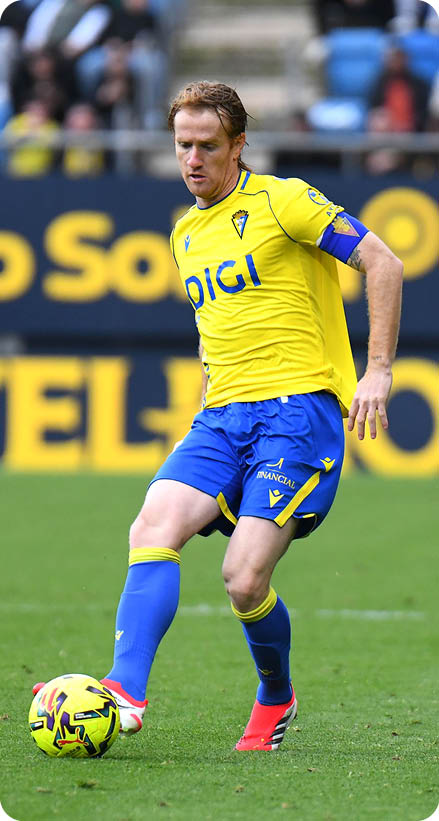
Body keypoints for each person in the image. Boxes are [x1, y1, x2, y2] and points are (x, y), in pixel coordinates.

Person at [98, 82, 402, 750]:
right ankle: (123, 689)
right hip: (221, 417)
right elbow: (217, 332)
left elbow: (381, 261)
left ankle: (274, 693)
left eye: (208, 145)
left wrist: (376, 369)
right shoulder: (184, 233)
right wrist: (208, 401)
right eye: (183, 145)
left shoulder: (284, 200)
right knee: (150, 525)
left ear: (239, 145)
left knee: (242, 579)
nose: (193, 159)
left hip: (297, 413)